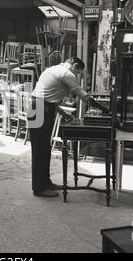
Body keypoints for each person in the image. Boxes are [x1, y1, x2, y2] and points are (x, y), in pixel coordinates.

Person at [29, 56, 109, 197]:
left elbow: (46, 95)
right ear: (75, 66)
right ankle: (39, 188)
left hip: (37, 107)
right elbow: (84, 97)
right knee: (40, 149)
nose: (77, 76)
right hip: (41, 109)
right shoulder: (67, 73)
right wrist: (104, 109)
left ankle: (46, 182)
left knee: (44, 147)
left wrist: (61, 111)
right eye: (79, 72)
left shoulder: (52, 69)